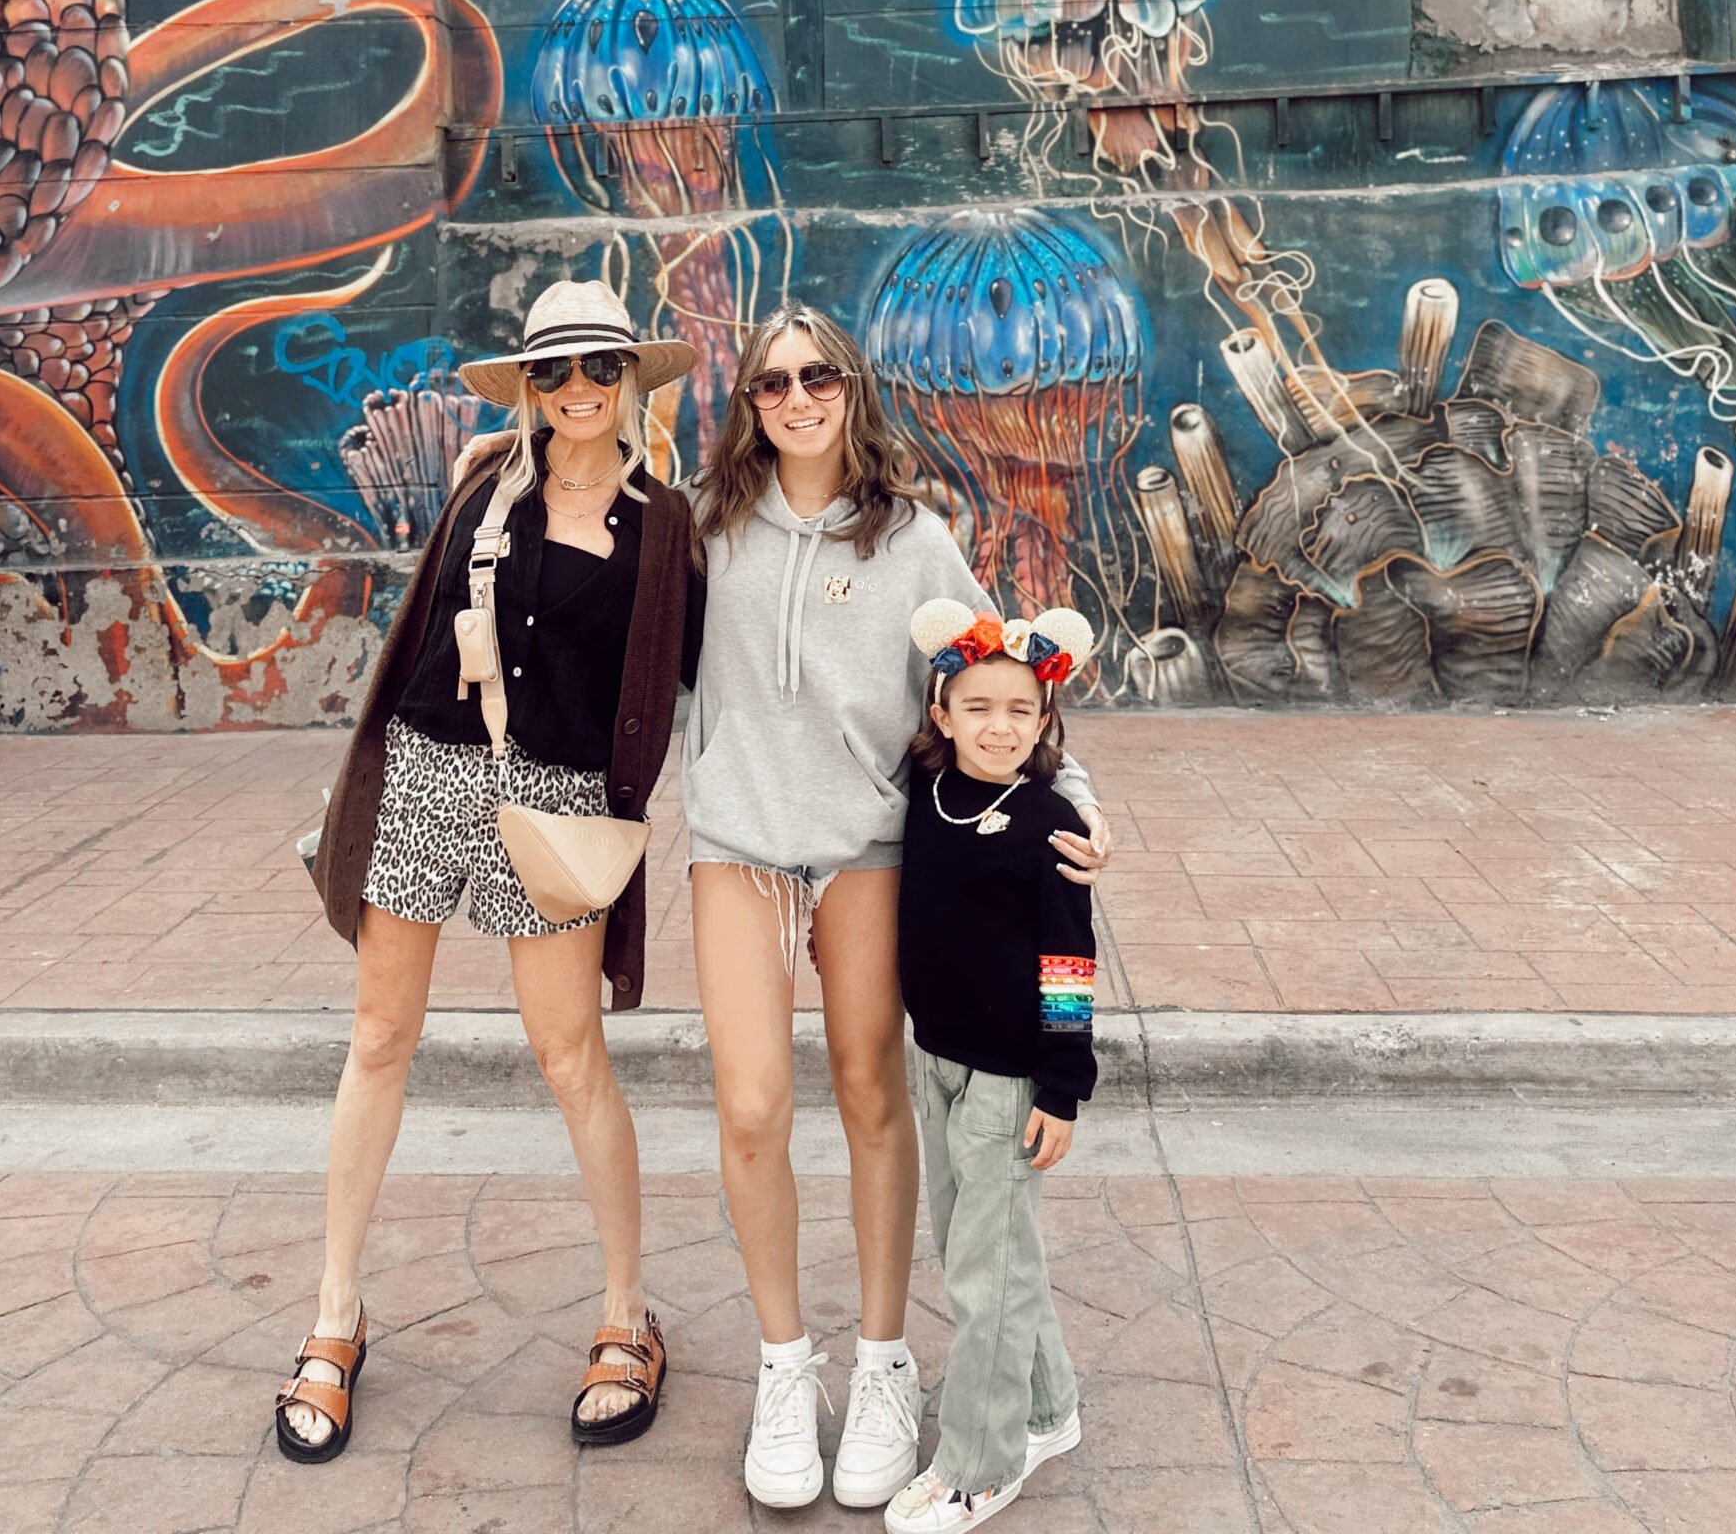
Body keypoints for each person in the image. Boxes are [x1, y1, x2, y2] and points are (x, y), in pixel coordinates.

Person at [684, 305, 1113, 1512]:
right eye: (773, 382)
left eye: (819, 374)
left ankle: (881, 1361)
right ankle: (785, 1368)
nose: (798, 396)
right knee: (754, 1107)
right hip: (739, 843)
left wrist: (1071, 795)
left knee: (877, 1094)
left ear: (852, 390)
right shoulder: (708, 525)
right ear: (750, 404)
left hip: (870, 849)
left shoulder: (914, 536)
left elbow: (1003, 672)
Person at [279, 280, 704, 1463]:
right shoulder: (484, 483)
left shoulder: (663, 524)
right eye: (553, 372)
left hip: (559, 796)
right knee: (378, 1037)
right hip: (428, 771)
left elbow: (699, 675)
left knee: (570, 1055)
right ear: (527, 384)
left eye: (598, 369)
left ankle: (628, 1316)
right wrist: (355, 792)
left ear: (632, 380)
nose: (576, 391)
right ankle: (333, 1314)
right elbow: (420, 635)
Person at [883, 600, 1099, 1533]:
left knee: (986, 1276)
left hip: (1010, 1080)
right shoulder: (925, 793)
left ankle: (981, 1462)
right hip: (934, 1059)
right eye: (978, 707)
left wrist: (1063, 1084)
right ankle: (1048, 1410)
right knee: (986, 1258)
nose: (1000, 726)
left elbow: (1067, 967)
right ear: (941, 713)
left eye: (1020, 710)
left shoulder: (1049, 824)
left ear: (1045, 722)